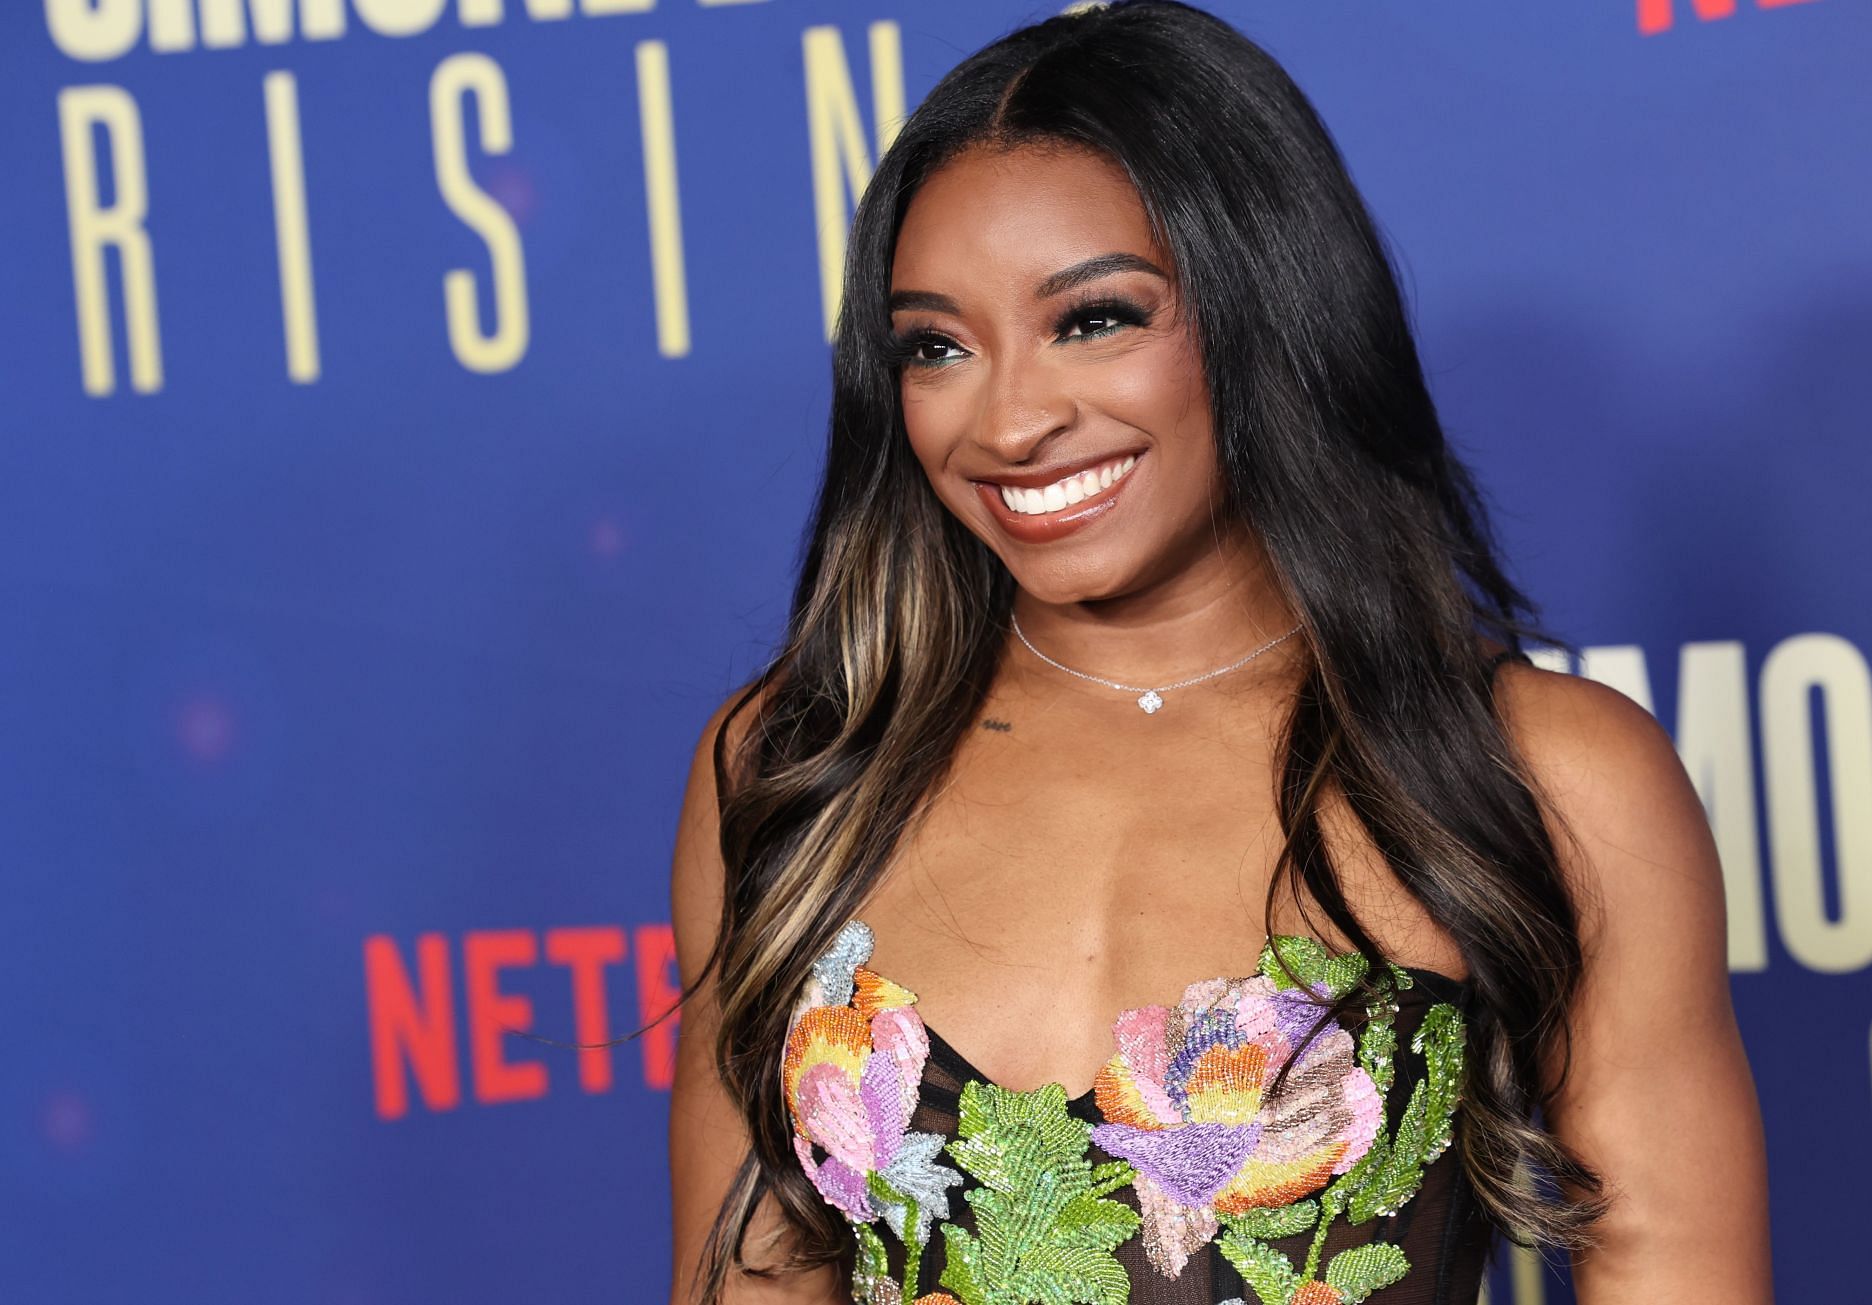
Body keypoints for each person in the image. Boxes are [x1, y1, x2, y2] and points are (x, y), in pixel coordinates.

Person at [664, 2, 1770, 1301]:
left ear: (1264, 310)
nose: (1013, 417)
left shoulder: (1539, 773)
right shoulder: (796, 765)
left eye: (1093, 320)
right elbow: (747, 1273)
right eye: (938, 346)